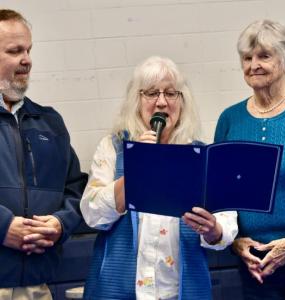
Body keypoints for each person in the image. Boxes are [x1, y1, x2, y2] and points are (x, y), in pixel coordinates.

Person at [80, 56, 238, 300]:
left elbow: (226, 225)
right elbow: (92, 215)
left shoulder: (201, 155)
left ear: (182, 102)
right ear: (137, 100)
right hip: (120, 291)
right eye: (152, 93)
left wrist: (213, 230)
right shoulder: (112, 148)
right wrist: (136, 168)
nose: (162, 103)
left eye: (171, 93)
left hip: (178, 292)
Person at [0, 9, 87, 300]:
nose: (27, 59)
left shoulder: (50, 122)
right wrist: (3, 227)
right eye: (15, 51)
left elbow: (76, 190)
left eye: (28, 49)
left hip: (37, 287)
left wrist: (60, 224)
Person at [214, 19, 285, 300]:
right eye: (247, 58)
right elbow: (219, 193)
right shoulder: (230, 119)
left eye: (264, 56)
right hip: (255, 265)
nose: (253, 65)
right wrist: (235, 241)